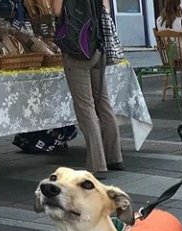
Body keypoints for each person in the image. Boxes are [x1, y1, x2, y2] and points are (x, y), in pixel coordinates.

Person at [53, 0, 123, 177]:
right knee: (103, 103)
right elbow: (105, 9)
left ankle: (97, 164)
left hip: (77, 51)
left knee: (85, 107)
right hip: (98, 47)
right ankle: (114, 157)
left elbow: (57, 10)